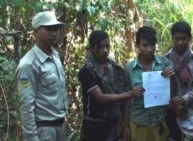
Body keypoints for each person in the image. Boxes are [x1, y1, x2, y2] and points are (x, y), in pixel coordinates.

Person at [78, 30, 144, 141]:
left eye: (107, 46)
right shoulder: (87, 71)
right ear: (92, 48)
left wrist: (123, 121)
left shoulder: (114, 67)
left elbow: (123, 97)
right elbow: (101, 98)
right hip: (94, 125)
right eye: (100, 47)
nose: (105, 50)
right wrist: (129, 94)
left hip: (114, 124)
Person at [15, 11, 68, 141]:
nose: (54, 33)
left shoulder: (55, 58)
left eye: (56, 29)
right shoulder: (29, 65)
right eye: (49, 29)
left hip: (60, 127)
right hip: (44, 130)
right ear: (37, 31)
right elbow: (26, 106)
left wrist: (64, 119)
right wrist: (32, 137)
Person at [123, 26, 175, 141]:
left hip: (159, 121)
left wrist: (172, 77)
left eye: (152, 45)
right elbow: (126, 100)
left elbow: (172, 93)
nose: (149, 49)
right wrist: (126, 126)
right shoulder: (129, 68)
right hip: (138, 122)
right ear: (138, 45)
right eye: (145, 45)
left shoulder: (164, 63)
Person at [164, 21, 193, 141]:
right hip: (171, 110)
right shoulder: (164, 60)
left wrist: (183, 99)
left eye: (184, 38)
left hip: (191, 108)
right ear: (172, 38)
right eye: (177, 38)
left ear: (190, 38)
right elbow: (162, 87)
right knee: (173, 137)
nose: (180, 42)